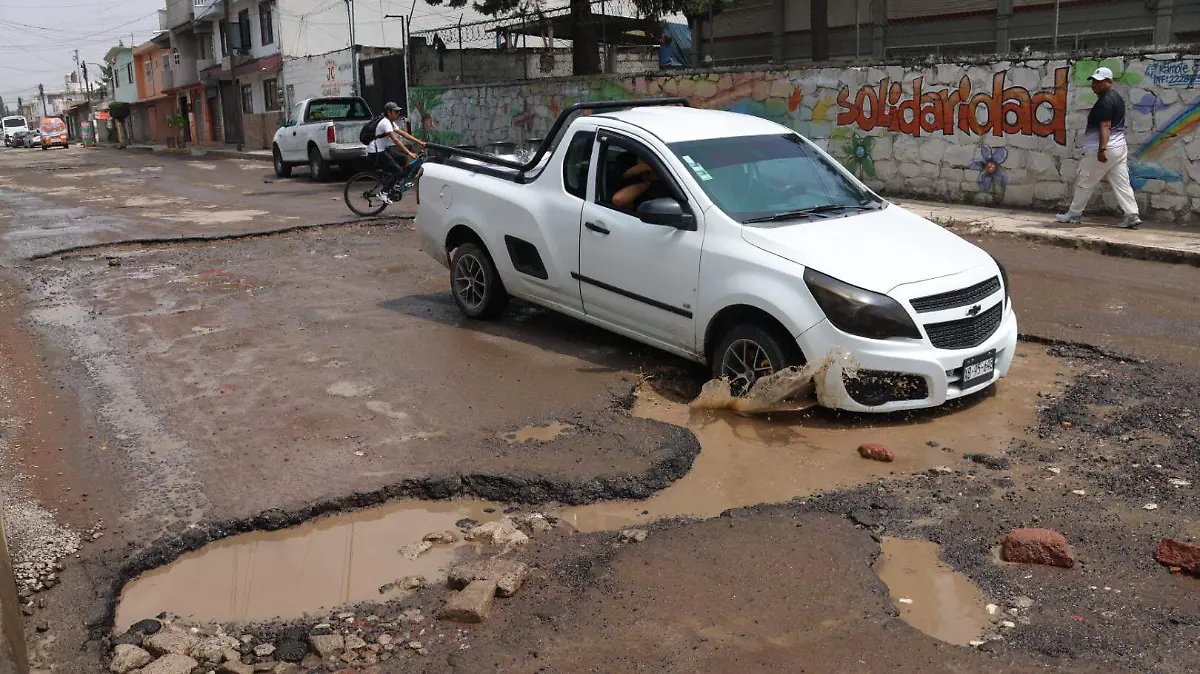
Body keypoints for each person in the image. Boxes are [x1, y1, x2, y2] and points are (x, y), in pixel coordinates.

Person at [1056, 67, 1141, 229]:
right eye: (1094, 81)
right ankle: (1132, 214)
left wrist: (1102, 149)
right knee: (1121, 182)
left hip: (1102, 149)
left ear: (1110, 82)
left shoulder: (1105, 102)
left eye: (1099, 81)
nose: (1095, 84)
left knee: (1085, 179)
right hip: (1119, 147)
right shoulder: (1116, 98)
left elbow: (1106, 126)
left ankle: (1074, 214)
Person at [367, 101, 425, 204]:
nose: (398, 114)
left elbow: (403, 134)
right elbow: (396, 140)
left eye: (398, 112)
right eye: (396, 112)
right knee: (398, 171)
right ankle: (383, 193)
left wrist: (419, 142)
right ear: (389, 112)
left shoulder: (390, 122)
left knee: (402, 159)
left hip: (382, 149)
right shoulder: (385, 123)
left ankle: (398, 183)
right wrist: (409, 153)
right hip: (376, 152)